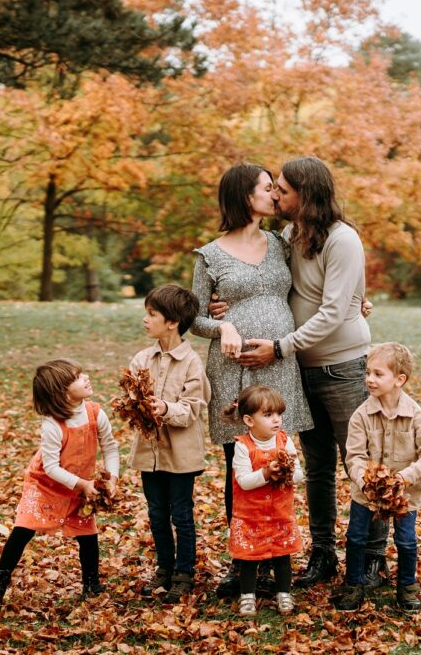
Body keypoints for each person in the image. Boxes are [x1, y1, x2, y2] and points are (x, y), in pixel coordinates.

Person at [233, 156, 389, 589]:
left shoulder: (343, 240)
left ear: (307, 192)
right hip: (301, 369)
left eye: (283, 188)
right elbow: (266, 285)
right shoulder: (288, 235)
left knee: (359, 463)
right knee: (317, 467)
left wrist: (281, 346)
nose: (276, 194)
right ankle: (323, 555)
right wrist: (221, 305)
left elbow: (336, 310)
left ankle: (373, 558)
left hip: (343, 367)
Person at [190, 162, 313, 597]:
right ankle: (244, 559)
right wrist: (222, 327)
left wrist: (356, 302)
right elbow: (195, 317)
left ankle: (279, 555)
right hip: (233, 368)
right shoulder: (210, 254)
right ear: (245, 196)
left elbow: (312, 285)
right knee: (239, 465)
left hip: (279, 364)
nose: (275, 196)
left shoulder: (282, 243)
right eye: (267, 188)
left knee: (280, 458)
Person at [0, 359, 120, 609]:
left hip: (81, 484)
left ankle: (91, 583)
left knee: (87, 534)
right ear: (62, 393)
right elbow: (52, 467)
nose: (86, 376)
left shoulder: (95, 413)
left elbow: (110, 446)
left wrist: (112, 478)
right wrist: (82, 484)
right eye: (78, 377)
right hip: (45, 483)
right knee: (24, 528)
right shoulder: (52, 425)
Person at [332, 343, 421, 613]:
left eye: (378, 374)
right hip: (366, 494)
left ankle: (406, 587)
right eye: (368, 372)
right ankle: (354, 584)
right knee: (356, 537)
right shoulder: (361, 415)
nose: (370, 379)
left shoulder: (416, 415)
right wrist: (365, 480)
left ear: (399, 379)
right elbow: (354, 456)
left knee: (406, 541)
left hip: (405, 494)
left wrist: (405, 478)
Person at [128, 284, 211, 604]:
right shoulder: (141, 359)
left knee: (181, 514)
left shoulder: (191, 363)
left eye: (152, 315)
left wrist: (164, 408)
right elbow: (132, 400)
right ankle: (164, 567)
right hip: (150, 453)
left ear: (173, 322)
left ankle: (184, 572)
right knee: (156, 512)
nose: (145, 320)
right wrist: (136, 405)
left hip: (181, 455)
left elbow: (192, 409)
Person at [224, 385, 304, 616]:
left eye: (279, 414)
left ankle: (284, 594)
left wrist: (286, 473)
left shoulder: (285, 442)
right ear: (249, 420)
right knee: (249, 556)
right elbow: (244, 481)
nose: (276, 420)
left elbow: (299, 475)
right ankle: (247, 595)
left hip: (279, 512)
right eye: (268, 415)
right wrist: (266, 474)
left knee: (282, 555)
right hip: (251, 515)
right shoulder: (242, 446)